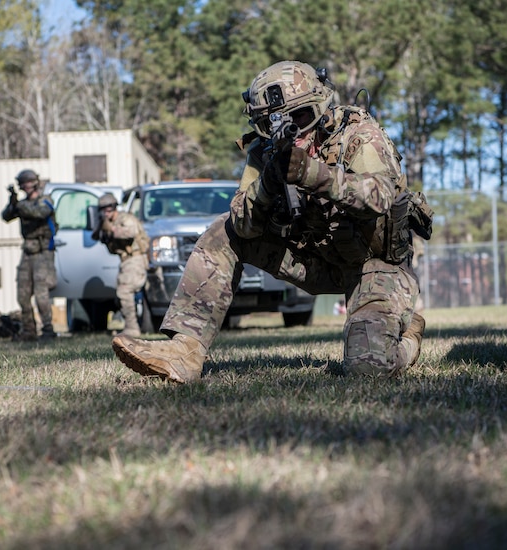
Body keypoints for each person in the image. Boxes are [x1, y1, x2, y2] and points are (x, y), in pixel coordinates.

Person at [113, 60, 433, 382]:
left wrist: (313, 174)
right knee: (222, 232)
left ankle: (407, 341)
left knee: (369, 369)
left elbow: (379, 197)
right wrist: (267, 184)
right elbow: (242, 225)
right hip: (314, 262)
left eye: (302, 117)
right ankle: (184, 350)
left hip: (375, 267)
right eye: (272, 124)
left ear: (321, 106)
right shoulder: (265, 152)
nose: (292, 130)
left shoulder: (359, 135)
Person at [1, 169, 58, 341]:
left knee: (41, 294)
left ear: (34, 182)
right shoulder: (22, 204)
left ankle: (48, 330)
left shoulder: (45, 200)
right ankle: (29, 330)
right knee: (23, 294)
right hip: (27, 252)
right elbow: (6, 216)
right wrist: (12, 203)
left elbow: (40, 213)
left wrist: (18, 206)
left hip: (43, 252)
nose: (24, 186)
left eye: (27, 182)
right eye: (22, 183)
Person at [91, 192, 149, 336]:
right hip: (125, 261)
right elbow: (95, 236)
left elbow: (130, 232)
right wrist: (102, 227)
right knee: (120, 295)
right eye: (103, 209)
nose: (106, 212)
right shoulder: (107, 222)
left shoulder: (126, 219)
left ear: (114, 208)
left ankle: (132, 328)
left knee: (124, 291)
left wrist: (111, 229)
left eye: (109, 209)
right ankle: (132, 325)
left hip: (135, 259)